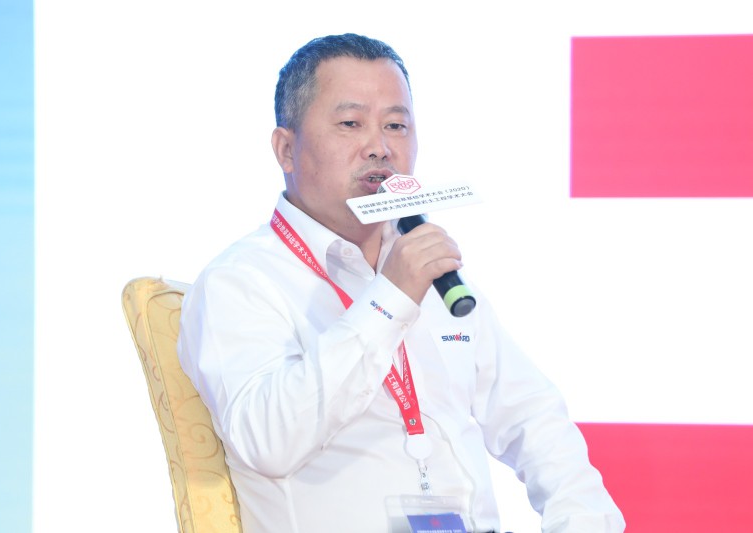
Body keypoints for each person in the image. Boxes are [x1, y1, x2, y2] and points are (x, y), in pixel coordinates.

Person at [178, 33, 625, 533]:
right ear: (286, 149)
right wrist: (390, 297)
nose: (380, 147)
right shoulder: (240, 281)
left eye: (396, 125)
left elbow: (533, 418)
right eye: (351, 124)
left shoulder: (434, 273)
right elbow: (268, 441)